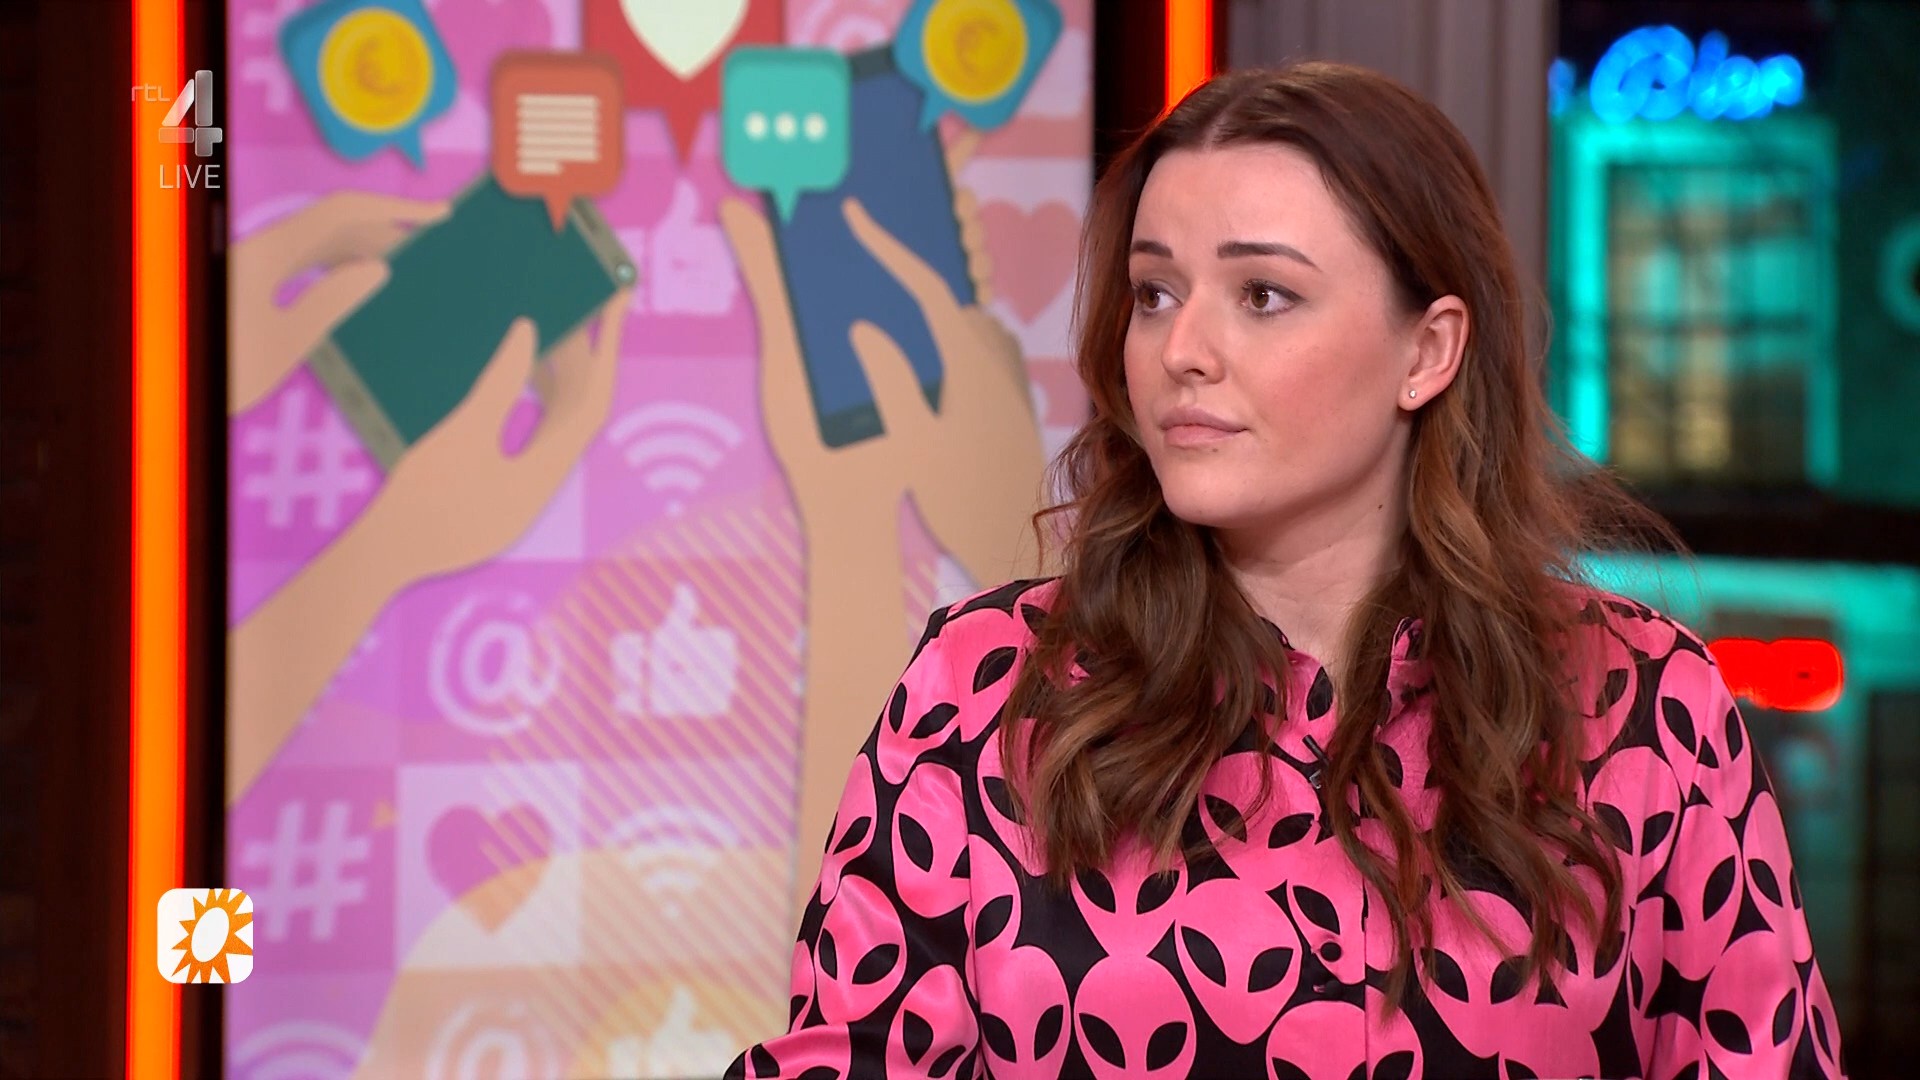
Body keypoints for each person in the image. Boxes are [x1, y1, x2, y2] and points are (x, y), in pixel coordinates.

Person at [725, 62, 1847, 1080]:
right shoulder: (988, 688)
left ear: (1428, 351)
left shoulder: (1640, 706)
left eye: (1262, 295)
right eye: (1155, 293)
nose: (1181, 351)